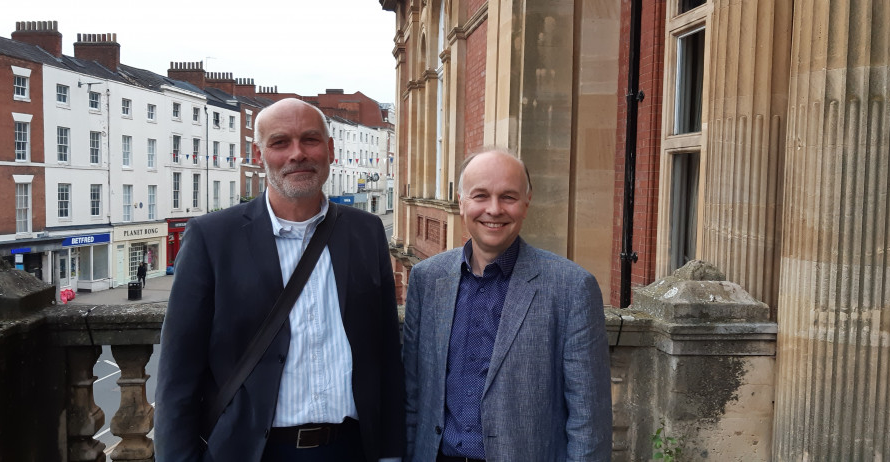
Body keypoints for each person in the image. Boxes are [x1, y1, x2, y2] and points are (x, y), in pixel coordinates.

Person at [155, 98, 406, 462]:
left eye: (310, 140)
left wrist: (390, 452)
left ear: (330, 150)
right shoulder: (212, 238)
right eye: (280, 143)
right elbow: (178, 373)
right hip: (252, 451)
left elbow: (386, 353)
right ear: (260, 155)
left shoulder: (366, 232)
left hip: (353, 448)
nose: (297, 154)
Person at [403, 149, 613, 462]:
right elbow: (413, 395)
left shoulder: (571, 289)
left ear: (527, 203)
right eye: (480, 195)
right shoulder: (427, 279)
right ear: (461, 202)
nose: (494, 209)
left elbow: (589, 420)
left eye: (508, 197)